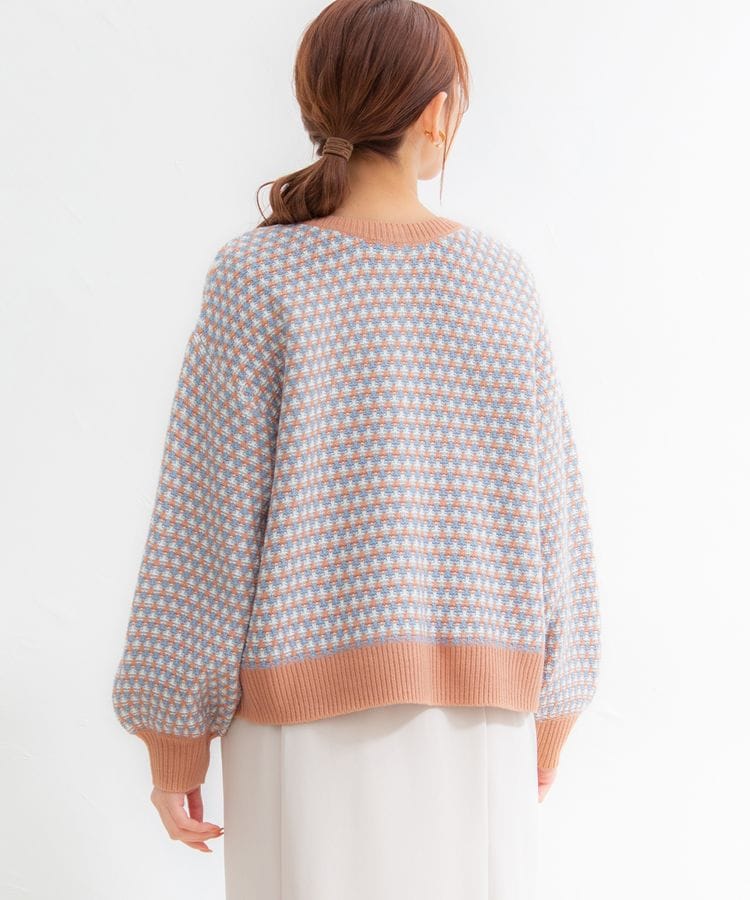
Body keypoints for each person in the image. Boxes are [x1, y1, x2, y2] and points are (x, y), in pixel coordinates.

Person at [111, 1, 601, 897]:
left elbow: (205, 529)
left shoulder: (259, 276)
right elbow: (554, 523)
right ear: (437, 113)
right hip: (483, 723)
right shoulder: (500, 281)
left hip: (303, 736)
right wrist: (553, 713)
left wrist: (171, 734)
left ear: (318, 107)